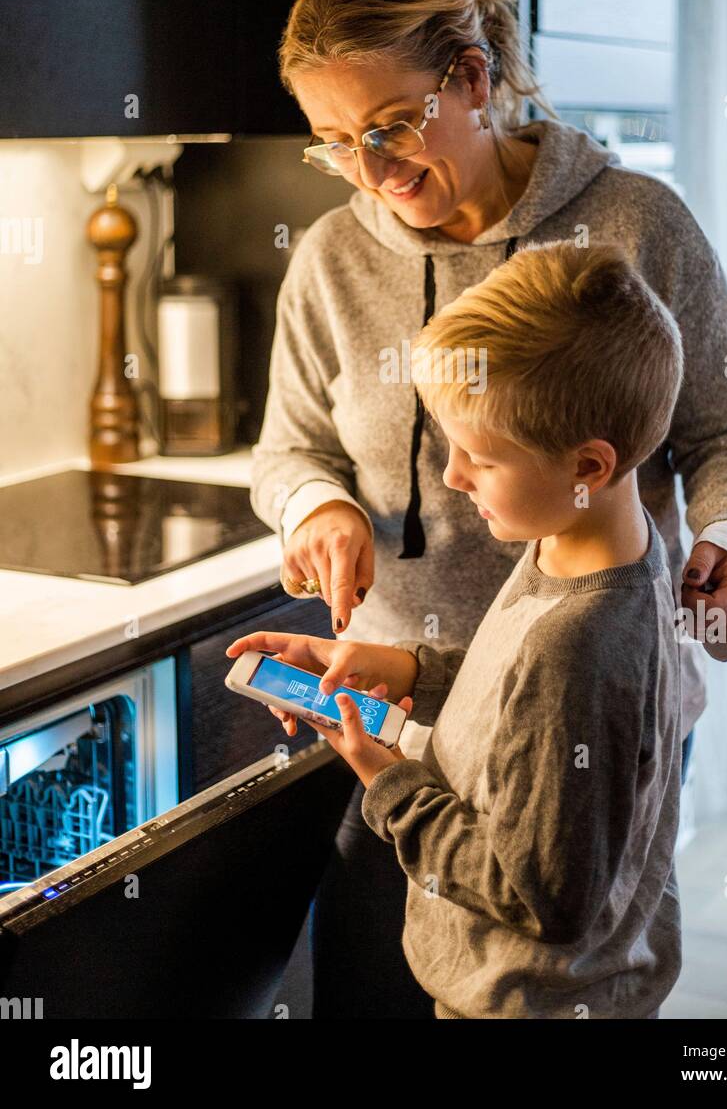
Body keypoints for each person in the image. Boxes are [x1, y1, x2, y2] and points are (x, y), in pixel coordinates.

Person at [248, 0, 727, 1018]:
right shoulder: (330, 260)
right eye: (334, 145)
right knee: (400, 977)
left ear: (473, 77)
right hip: (409, 701)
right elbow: (287, 449)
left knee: (552, 969)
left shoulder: (635, 226)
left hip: (591, 687)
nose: (373, 169)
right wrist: (322, 504)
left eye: (392, 125)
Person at [235, 240, 685, 1018]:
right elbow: (514, 686)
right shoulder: (589, 542)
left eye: (478, 456)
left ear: (588, 466)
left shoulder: (579, 644)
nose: (451, 477)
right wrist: (398, 667)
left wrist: (386, 781)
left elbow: (540, 895)